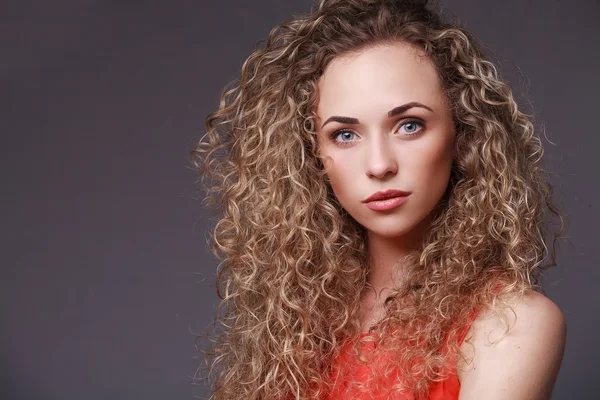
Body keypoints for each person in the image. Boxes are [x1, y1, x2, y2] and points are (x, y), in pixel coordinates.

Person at [190, 0, 567, 399]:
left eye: (409, 125)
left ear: (463, 133)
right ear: (311, 155)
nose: (379, 164)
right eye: (345, 135)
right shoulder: (297, 322)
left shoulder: (510, 326)